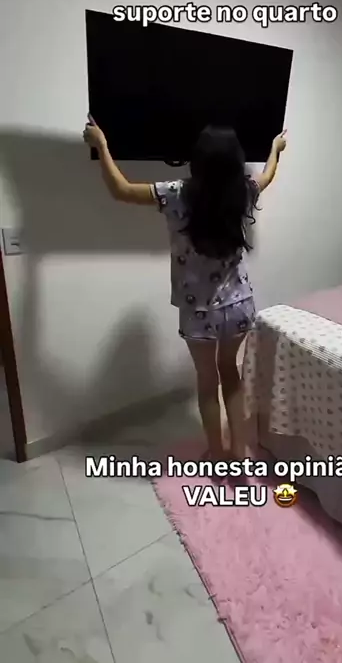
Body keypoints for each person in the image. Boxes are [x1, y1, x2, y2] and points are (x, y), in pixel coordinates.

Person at [83, 117, 287, 461]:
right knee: (231, 375)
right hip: (239, 304)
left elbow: (121, 189)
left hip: (198, 312)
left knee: (207, 383)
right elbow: (267, 175)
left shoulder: (175, 193)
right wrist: (275, 149)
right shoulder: (244, 190)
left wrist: (102, 145)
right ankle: (239, 454)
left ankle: (217, 454)